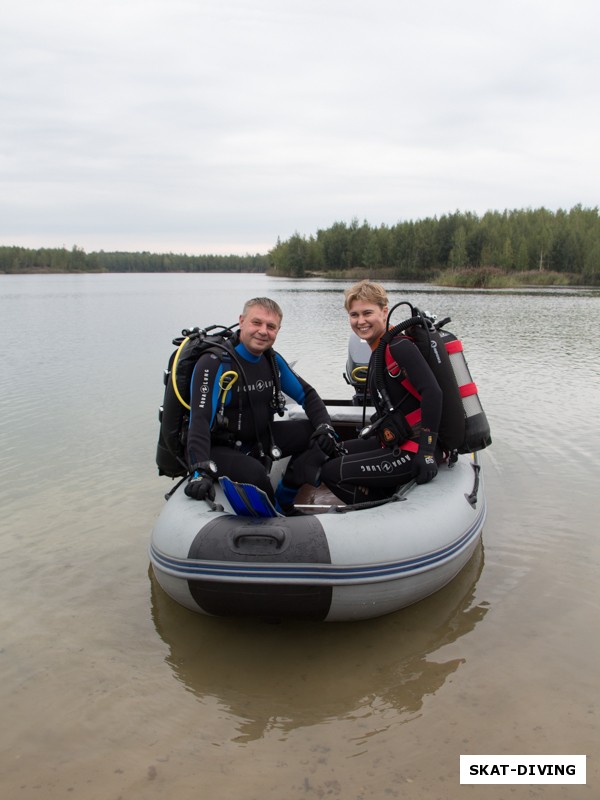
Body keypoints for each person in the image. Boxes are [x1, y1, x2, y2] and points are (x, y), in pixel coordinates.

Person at [184, 297, 338, 514]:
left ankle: (285, 496)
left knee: (317, 434)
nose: (263, 331)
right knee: (254, 473)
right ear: (242, 321)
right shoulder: (214, 362)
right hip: (219, 448)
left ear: (278, 330)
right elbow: (199, 420)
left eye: (271, 326)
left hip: (258, 439)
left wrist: (326, 428)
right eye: (257, 323)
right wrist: (200, 469)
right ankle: (278, 515)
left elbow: (308, 395)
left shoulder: (271, 360)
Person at [320, 280, 444, 505]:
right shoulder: (380, 350)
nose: (361, 321)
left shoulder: (399, 347)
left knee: (332, 472)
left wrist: (426, 451)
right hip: (396, 439)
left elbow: (433, 393)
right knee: (331, 454)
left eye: (368, 313)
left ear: (384, 312)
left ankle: (375, 512)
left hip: (415, 447)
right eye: (354, 315)